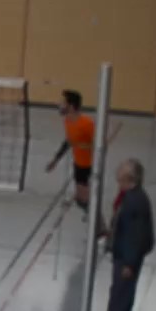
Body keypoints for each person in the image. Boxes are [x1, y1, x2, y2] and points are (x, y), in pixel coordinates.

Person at [88, 158, 155, 311]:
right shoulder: (129, 197)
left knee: (118, 295)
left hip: (127, 257)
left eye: (121, 175)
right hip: (124, 252)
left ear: (129, 178)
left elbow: (137, 236)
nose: (117, 178)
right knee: (124, 293)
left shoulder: (135, 202)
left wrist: (129, 263)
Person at [45, 88, 99, 223]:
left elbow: (99, 144)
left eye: (63, 103)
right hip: (78, 163)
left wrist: (89, 148)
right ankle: (92, 215)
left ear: (72, 106)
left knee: (84, 198)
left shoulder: (86, 124)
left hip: (88, 165)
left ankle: (98, 223)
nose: (60, 105)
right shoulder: (68, 121)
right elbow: (68, 141)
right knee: (81, 199)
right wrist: (55, 160)